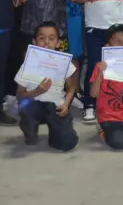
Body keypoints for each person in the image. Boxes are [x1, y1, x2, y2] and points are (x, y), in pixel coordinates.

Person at [15, 22, 79, 152]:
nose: (46, 42)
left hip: (55, 106)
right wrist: (37, 91)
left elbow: (71, 88)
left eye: (51, 38)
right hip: (34, 104)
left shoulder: (63, 62)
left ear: (58, 43)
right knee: (25, 106)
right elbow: (19, 95)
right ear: (34, 41)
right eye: (41, 38)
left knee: (67, 143)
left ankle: (56, 130)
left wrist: (66, 104)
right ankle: (30, 129)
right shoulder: (27, 65)